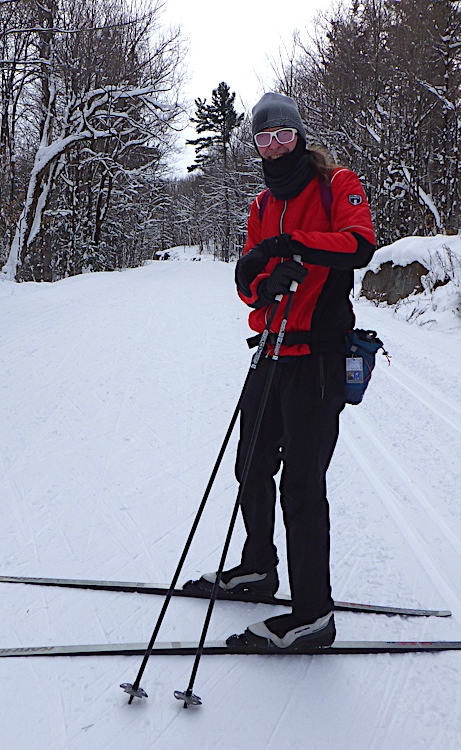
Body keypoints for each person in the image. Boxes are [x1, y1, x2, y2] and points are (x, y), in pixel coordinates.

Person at [185, 92, 377, 649]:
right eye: (264, 138)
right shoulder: (262, 204)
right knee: (249, 465)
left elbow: (358, 245)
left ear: (300, 136)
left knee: (301, 484)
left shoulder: (337, 184)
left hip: (318, 358)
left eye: (284, 135)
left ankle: (313, 614)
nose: (274, 146)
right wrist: (263, 284)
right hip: (271, 350)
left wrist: (294, 245)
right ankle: (257, 569)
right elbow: (247, 275)